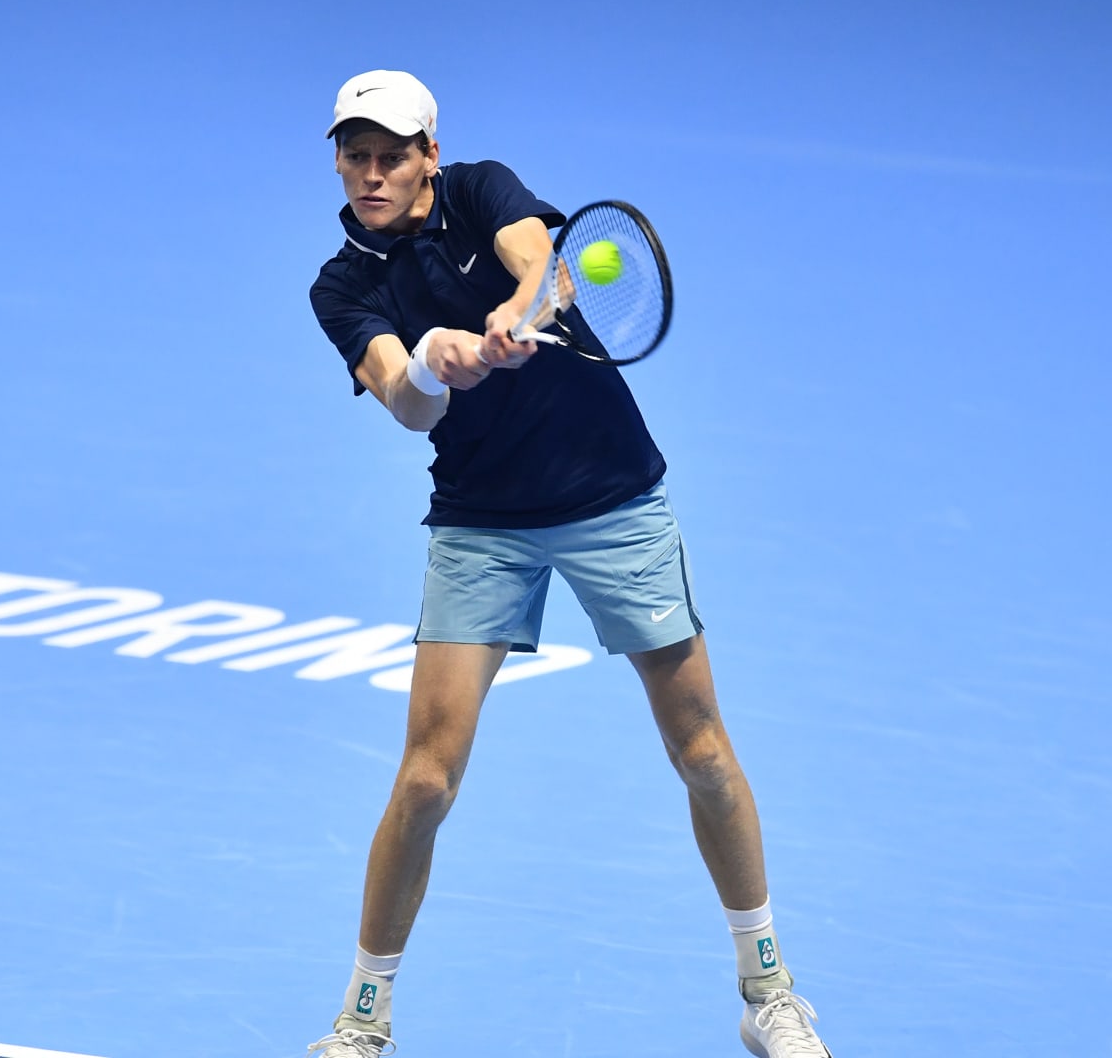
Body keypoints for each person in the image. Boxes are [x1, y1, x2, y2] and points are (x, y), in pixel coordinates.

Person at [304, 69, 833, 1058]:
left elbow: (541, 261)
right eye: (355, 156)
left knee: (701, 751)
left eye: (392, 156)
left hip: (611, 498)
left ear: (429, 155)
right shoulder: (342, 286)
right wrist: (436, 359)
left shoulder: (480, 189)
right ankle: (361, 1022)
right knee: (425, 782)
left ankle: (769, 995)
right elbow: (404, 400)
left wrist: (516, 309)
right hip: (481, 523)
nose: (372, 174)